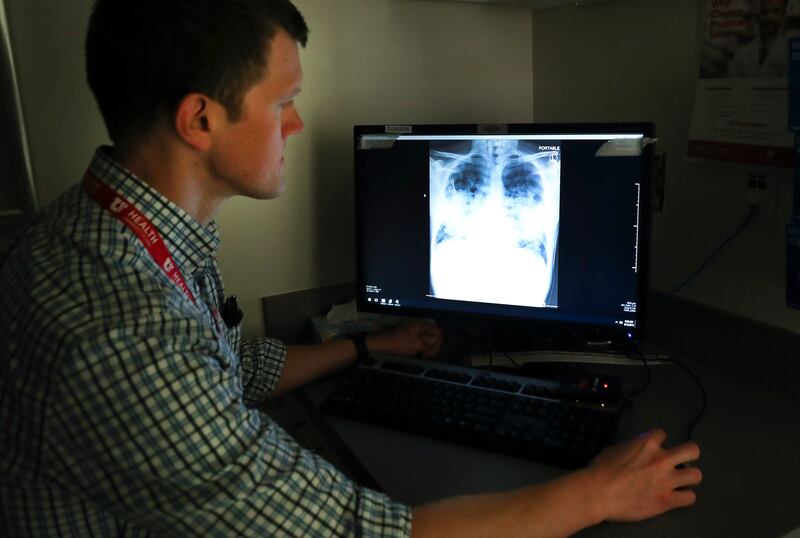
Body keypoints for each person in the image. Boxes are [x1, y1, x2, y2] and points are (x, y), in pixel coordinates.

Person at [0, 0, 702, 536]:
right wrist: (597, 494)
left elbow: (228, 371)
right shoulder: (117, 325)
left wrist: (371, 346)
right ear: (200, 120)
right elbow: (354, 532)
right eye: (283, 102)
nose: (298, 125)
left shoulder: (118, 234)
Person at [729, 0, 789, 77]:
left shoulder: (790, 56)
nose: (768, 17)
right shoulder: (740, 55)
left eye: (775, 12)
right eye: (764, 12)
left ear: (783, 18)